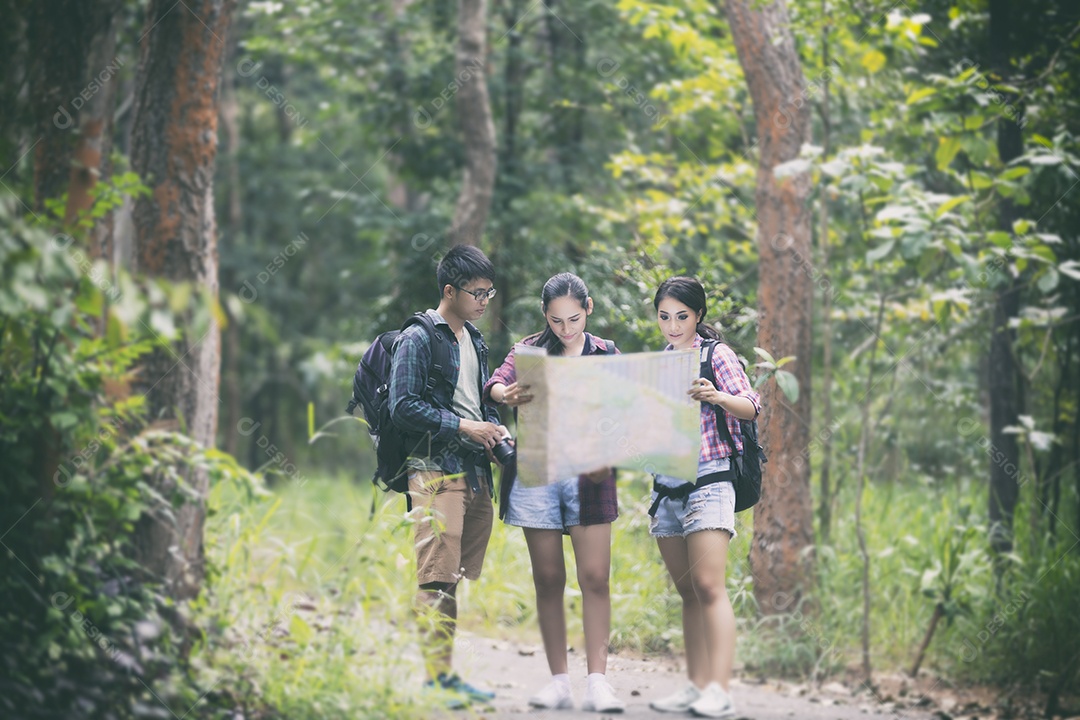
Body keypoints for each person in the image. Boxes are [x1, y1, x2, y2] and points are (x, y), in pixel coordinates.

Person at [483, 272, 625, 713]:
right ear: (546, 315)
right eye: (557, 321)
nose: (566, 329)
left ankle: (598, 682)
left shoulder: (606, 354)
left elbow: (627, 413)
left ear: (589, 309)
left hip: (589, 475)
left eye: (574, 319)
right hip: (537, 474)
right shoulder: (529, 351)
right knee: (548, 580)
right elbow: (494, 383)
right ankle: (559, 681)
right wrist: (503, 392)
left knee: (595, 578)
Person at [388, 244, 510, 709]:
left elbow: (475, 402)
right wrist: (462, 426)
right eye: (477, 293)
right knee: (434, 577)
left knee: (452, 577)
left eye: (489, 292)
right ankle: (435, 682)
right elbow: (402, 406)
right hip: (434, 471)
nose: (484, 301)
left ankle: (445, 679)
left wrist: (492, 426)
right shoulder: (419, 338)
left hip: (473, 471)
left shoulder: (473, 339)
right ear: (449, 291)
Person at [647, 276, 761, 719]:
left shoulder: (717, 355)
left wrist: (717, 396)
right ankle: (695, 687)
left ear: (697, 315)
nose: (673, 325)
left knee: (710, 586)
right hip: (667, 485)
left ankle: (720, 689)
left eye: (681, 316)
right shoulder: (660, 360)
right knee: (688, 591)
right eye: (664, 316)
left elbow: (752, 405)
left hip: (712, 481)